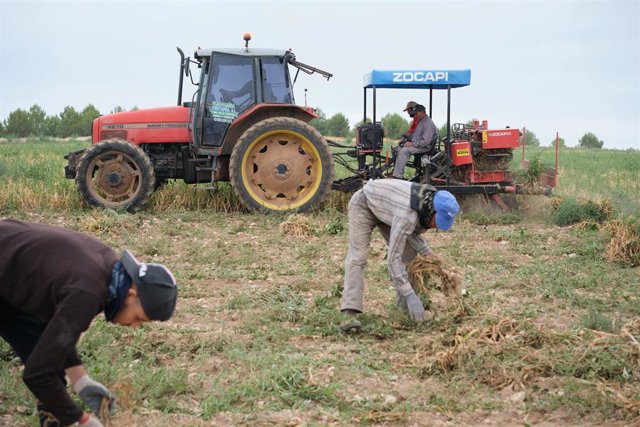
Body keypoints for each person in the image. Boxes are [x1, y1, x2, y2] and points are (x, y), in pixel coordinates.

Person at [0, 219, 178, 427]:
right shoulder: (87, 293)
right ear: (132, 294)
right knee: (45, 371)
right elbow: (37, 374)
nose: (135, 326)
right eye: (139, 318)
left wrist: (81, 381)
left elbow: (56, 333)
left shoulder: (107, 267)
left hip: (6, 282)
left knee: (48, 360)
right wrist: (81, 420)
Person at [340, 180, 459, 332]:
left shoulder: (429, 200)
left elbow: (412, 231)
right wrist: (410, 294)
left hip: (389, 209)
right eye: (439, 221)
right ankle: (349, 313)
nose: (437, 226)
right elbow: (393, 259)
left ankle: (402, 312)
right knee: (358, 257)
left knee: (409, 254)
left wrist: (427, 253)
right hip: (364, 204)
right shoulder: (407, 215)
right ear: (432, 210)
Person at [389, 104, 438, 179]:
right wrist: (406, 138)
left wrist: (412, 144)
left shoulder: (428, 124)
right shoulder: (422, 121)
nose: (415, 115)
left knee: (403, 151)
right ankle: (395, 172)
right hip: (419, 145)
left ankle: (398, 176)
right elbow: (417, 135)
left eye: (416, 113)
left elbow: (425, 142)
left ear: (422, 112)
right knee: (399, 149)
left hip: (424, 147)